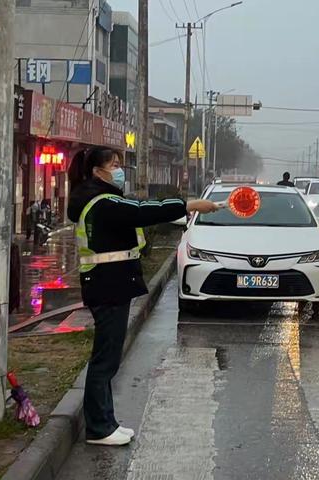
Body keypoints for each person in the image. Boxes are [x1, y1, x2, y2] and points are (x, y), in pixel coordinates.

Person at [67, 147, 218, 446]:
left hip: (109, 284)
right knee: (105, 360)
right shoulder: (102, 202)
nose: (119, 169)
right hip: (107, 285)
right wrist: (188, 204)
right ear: (98, 171)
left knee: (108, 358)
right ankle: (98, 427)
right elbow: (143, 212)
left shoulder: (101, 199)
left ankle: (106, 421)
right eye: (114, 165)